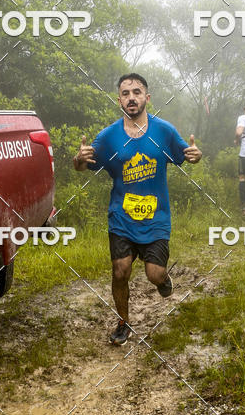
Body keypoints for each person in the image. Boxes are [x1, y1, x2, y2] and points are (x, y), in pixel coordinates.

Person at [73, 73, 202, 345]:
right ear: (119, 100)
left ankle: (163, 280)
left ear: (147, 98)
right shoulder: (108, 136)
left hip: (156, 217)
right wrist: (78, 159)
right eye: (125, 93)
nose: (131, 98)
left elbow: (186, 154)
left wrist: (195, 155)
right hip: (122, 217)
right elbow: (84, 165)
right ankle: (123, 322)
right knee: (120, 271)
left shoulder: (164, 131)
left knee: (154, 274)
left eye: (136, 92)